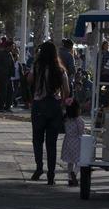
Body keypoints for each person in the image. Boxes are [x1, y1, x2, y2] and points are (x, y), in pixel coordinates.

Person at [27, 41, 69, 183]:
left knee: (37, 140)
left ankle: (39, 168)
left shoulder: (37, 66)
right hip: (54, 106)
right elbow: (67, 90)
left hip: (39, 105)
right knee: (51, 142)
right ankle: (51, 174)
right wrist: (62, 104)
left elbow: (29, 80)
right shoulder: (60, 69)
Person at [60, 98, 86, 188]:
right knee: (79, 161)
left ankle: (70, 179)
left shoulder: (66, 119)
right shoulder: (79, 120)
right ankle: (74, 173)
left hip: (67, 141)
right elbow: (81, 132)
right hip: (77, 142)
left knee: (69, 162)